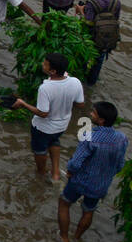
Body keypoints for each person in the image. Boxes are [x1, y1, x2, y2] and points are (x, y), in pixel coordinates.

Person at [58, 101, 128, 242]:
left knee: (64, 204)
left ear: (101, 120)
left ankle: (64, 238)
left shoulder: (89, 136)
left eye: (94, 113)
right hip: (100, 185)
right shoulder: (122, 139)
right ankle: (77, 238)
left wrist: (70, 172)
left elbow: (76, 163)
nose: (91, 114)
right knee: (88, 211)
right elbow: (120, 165)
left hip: (79, 181)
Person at [12, 52, 85, 181]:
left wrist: (23, 104)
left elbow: (43, 113)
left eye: (45, 64)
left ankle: (41, 173)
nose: (42, 65)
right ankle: (56, 172)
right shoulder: (75, 82)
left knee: (40, 150)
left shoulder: (45, 88)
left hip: (44, 128)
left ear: (53, 71)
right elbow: (80, 104)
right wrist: (65, 101)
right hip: (62, 125)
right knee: (54, 141)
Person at [76, 0, 120, 85]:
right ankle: (91, 83)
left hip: (92, 36)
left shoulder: (92, 2)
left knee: (85, 57)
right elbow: (116, 18)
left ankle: (82, 79)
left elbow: (88, 21)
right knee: (99, 60)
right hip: (108, 36)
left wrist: (81, 10)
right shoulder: (116, 1)